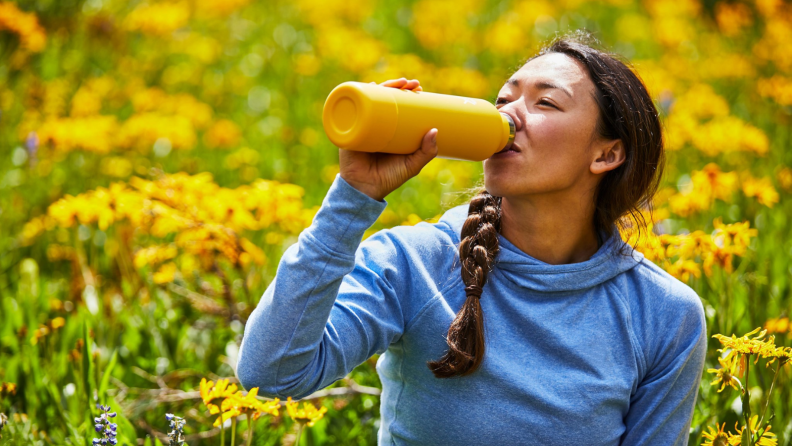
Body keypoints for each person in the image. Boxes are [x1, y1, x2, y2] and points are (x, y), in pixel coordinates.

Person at [236, 32, 707, 445]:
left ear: (607, 153)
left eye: (545, 102)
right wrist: (353, 198)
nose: (508, 115)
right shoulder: (415, 263)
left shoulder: (664, 316)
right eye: (503, 100)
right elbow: (271, 373)